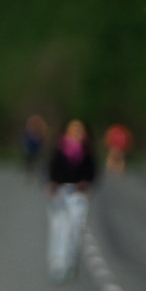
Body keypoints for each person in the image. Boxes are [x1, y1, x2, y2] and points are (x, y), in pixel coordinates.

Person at [46, 118, 95, 281]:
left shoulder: (86, 150)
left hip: (78, 194)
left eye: (80, 130)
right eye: (74, 130)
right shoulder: (60, 148)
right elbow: (52, 168)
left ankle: (71, 262)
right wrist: (52, 184)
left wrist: (86, 183)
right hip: (61, 191)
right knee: (60, 227)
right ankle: (58, 263)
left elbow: (92, 171)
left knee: (75, 229)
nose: (77, 134)